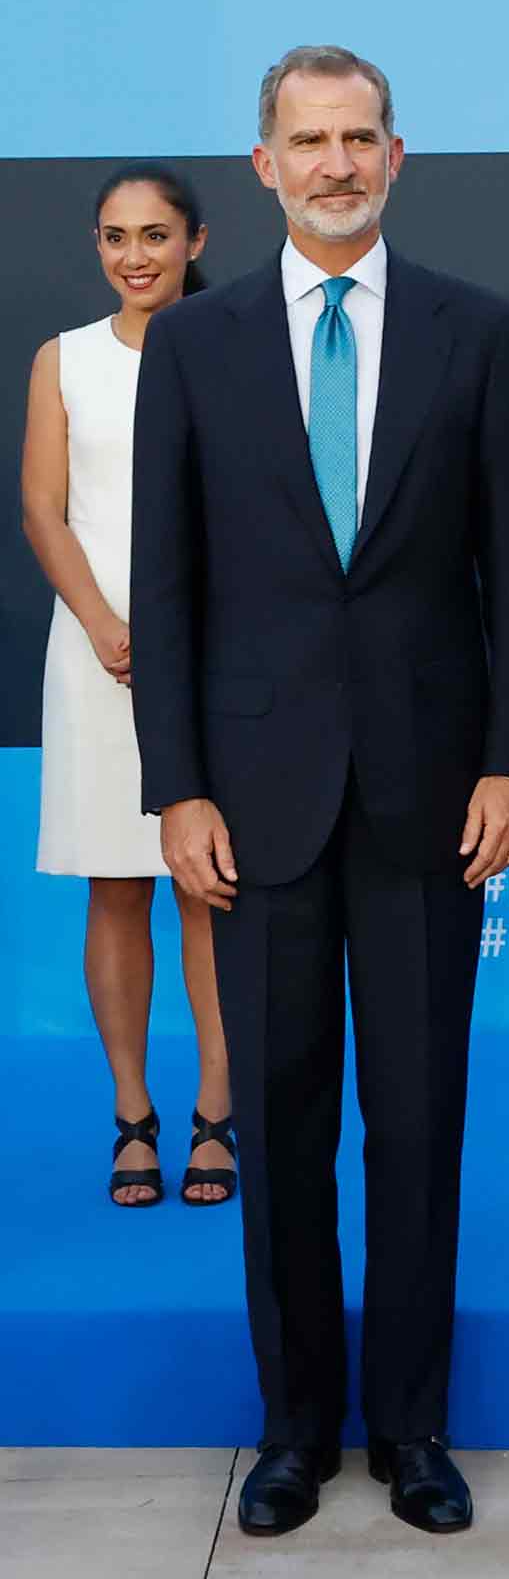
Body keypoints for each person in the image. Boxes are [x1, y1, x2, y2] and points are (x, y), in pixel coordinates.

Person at [129, 46, 509, 1539]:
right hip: (253, 801)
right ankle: (293, 1429)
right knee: (287, 1124)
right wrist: (173, 787)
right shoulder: (192, 345)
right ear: (262, 165)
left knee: (419, 1122)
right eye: (306, 140)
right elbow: (166, 590)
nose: (333, 162)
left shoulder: (476, 330)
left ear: (396, 153)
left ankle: (415, 1429)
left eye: (357, 136)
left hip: (435, 798)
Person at [21, 163, 236, 1209]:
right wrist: (108, 626)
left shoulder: (242, 348)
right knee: (117, 885)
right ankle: (134, 1115)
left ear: (196, 241)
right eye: (116, 236)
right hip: (95, 656)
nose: (135, 255)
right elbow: (44, 509)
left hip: (222, 655)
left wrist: (197, 632)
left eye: (156, 234)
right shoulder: (62, 360)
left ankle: (214, 1114)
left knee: (211, 887)